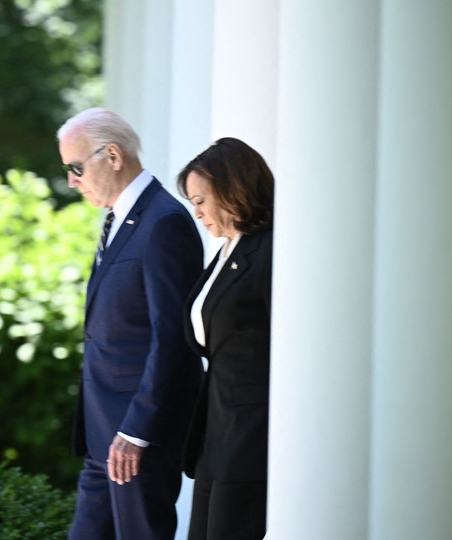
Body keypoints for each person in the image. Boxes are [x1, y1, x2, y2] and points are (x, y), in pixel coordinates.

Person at [58, 107, 204, 540]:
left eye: (76, 168)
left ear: (113, 156)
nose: (72, 181)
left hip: (136, 439)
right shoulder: (119, 220)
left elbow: (172, 338)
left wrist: (137, 431)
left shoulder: (164, 222)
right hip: (102, 433)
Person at [177, 137, 275, 540]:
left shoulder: (269, 250)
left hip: (249, 437)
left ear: (232, 190)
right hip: (216, 435)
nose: (197, 213)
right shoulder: (227, 250)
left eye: (201, 201)